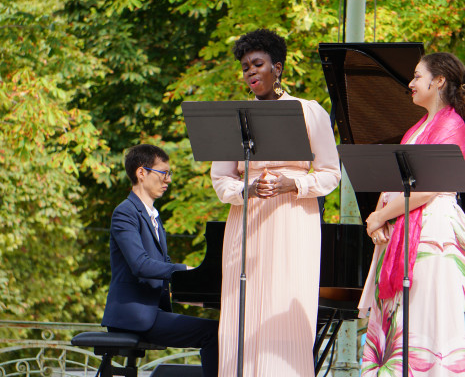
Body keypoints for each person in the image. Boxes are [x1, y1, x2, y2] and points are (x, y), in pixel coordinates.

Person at [211, 29, 341, 376]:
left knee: (284, 302)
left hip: (294, 219)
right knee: (244, 307)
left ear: (277, 67)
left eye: (258, 64)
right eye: (245, 68)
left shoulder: (309, 111)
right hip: (247, 220)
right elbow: (221, 180)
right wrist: (248, 189)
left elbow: (331, 174)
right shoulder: (235, 117)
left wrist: (292, 183)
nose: (251, 72)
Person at [359, 52, 465, 376]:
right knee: (405, 319)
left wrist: (380, 217)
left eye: (418, 76)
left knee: (426, 321)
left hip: (434, 232)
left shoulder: (453, 125)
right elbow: (395, 180)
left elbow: (429, 186)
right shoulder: (417, 128)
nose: (411, 83)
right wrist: (380, 217)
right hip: (407, 228)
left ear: (440, 80)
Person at [101, 144, 219, 377]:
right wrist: (185, 269)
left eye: (169, 174)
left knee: (220, 330)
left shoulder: (153, 217)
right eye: (163, 173)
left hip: (151, 313)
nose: (168, 180)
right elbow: (140, 265)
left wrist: (199, 293)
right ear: (141, 173)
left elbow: (162, 268)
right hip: (133, 316)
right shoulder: (125, 212)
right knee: (214, 333)